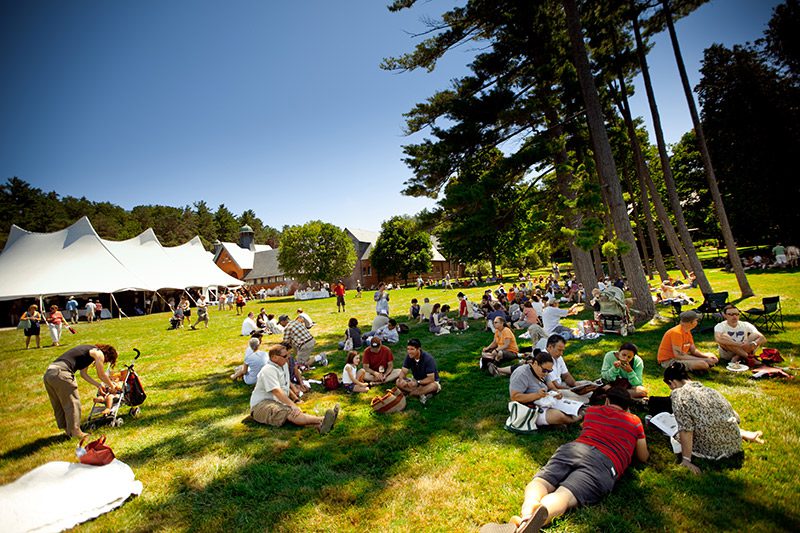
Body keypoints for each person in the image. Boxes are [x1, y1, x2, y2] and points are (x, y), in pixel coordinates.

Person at [484, 388, 647, 533]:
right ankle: (529, 522)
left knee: (542, 481)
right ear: (627, 406)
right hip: (604, 462)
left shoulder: (593, 411)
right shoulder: (634, 421)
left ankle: (526, 512)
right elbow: (643, 456)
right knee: (565, 495)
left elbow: (586, 427)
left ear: (607, 401)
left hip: (574, 449)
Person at [663, 362, 764, 474]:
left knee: (675, 435)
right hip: (734, 444)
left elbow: (686, 430)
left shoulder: (678, 395)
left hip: (712, 450)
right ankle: (743, 433)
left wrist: (686, 460)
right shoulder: (710, 391)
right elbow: (736, 417)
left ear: (672, 383)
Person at [249, 344, 339, 434]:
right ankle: (324, 419)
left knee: (292, 412)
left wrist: (295, 399)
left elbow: (286, 384)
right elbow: (276, 391)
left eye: (288, 355)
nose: (288, 358)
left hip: (277, 401)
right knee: (289, 413)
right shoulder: (268, 370)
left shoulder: (283, 365)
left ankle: (321, 425)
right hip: (260, 405)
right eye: (285, 356)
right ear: (274, 357)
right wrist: (293, 405)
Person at [43, 344, 121, 439]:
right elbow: (101, 375)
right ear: (107, 355)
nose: (104, 362)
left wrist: (98, 385)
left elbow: (83, 374)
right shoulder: (98, 353)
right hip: (62, 373)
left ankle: (68, 431)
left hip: (50, 373)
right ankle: (76, 432)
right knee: (72, 403)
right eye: (107, 360)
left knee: (58, 404)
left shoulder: (88, 351)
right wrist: (112, 385)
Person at [508, 350, 582, 427]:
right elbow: (514, 397)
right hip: (530, 408)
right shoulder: (521, 374)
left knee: (574, 400)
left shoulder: (544, 371)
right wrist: (537, 395)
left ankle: (567, 418)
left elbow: (551, 387)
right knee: (558, 416)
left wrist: (557, 393)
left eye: (549, 371)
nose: (546, 373)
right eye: (544, 370)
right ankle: (575, 419)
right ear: (535, 363)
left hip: (545, 401)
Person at [397, 338, 441, 404]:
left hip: (429, 382)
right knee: (398, 382)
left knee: (434, 386)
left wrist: (418, 382)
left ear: (418, 349)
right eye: (408, 349)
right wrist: (401, 379)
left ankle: (412, 393)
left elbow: (431, 379)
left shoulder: (428, 359)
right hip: (415, 380)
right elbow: (403, 371)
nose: (409, 352)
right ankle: (421, 393)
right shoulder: (409, 356)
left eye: (412, 349)